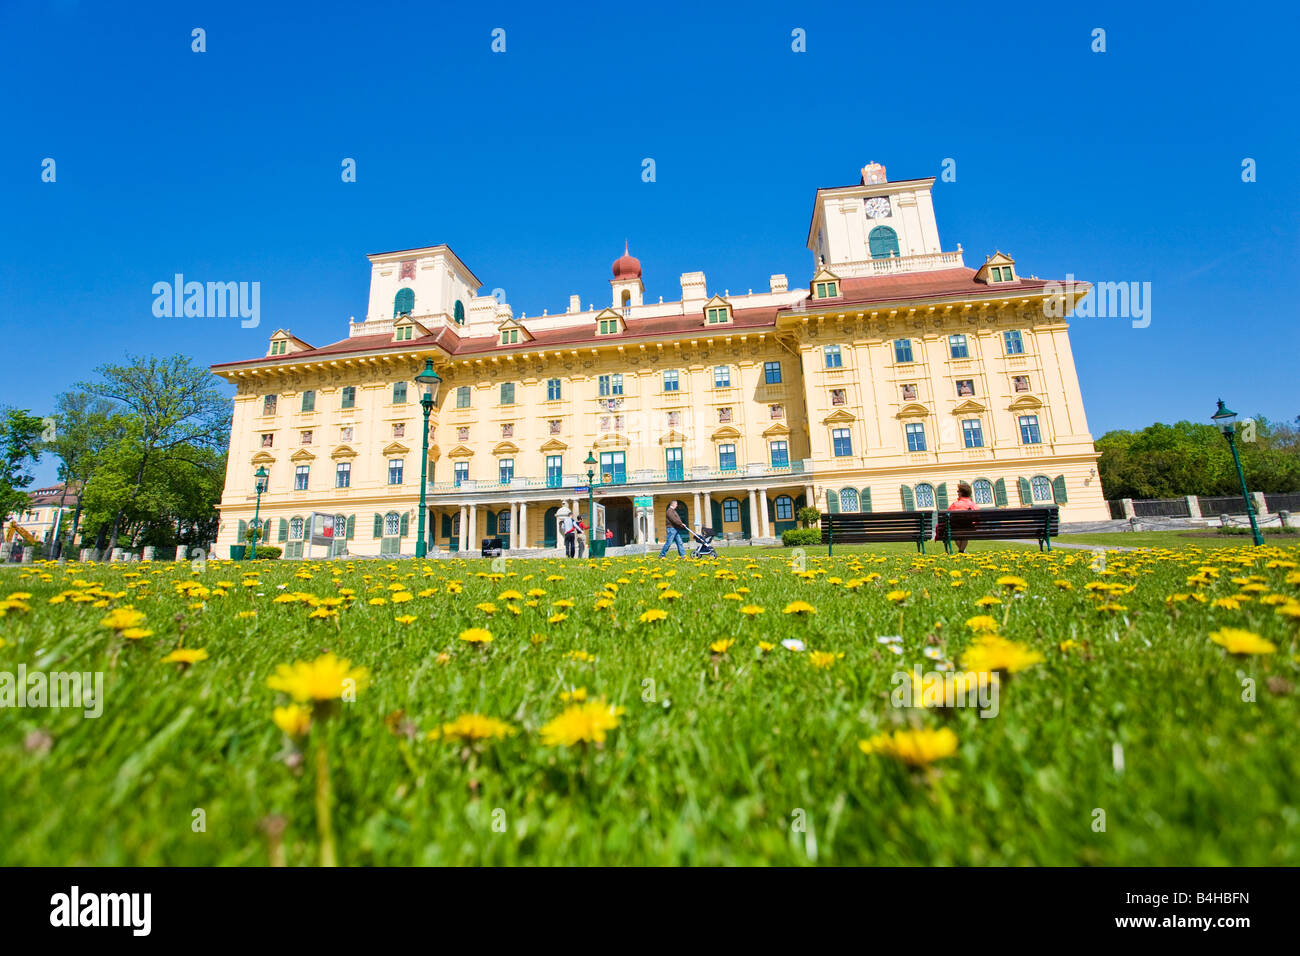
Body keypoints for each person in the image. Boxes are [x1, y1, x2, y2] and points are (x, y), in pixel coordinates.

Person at [946, 481, 979, 553]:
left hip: (955, 528)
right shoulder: (973, 505)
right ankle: (962, 551)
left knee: (956, 533)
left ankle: (961, 551)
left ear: (961, 493)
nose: (957, 493)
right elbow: (977, 518)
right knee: (965, 533)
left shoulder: (954, 504)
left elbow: (946, 515)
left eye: (958, 491)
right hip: (968, 529)